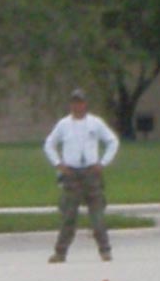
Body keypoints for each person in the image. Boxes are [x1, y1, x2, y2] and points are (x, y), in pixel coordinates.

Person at [43, 88, 120, 263]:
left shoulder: (95, 123)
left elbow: (112, 141)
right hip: (71, 174)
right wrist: (58, 164)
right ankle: (60, 252)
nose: (77, 106)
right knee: (68, 216)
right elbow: (49, 144)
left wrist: (103, 162)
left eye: (80, 102)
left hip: (91, 173)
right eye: (74, 102)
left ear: (85, 104)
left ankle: (105, 250)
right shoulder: (63, 124)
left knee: (97, 216)